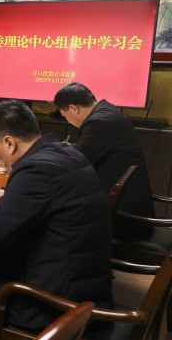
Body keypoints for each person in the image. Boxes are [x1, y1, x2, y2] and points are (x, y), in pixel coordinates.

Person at [0, 100, 113, 331]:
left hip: (55, 305)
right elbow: (50, 199)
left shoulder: (35, 170)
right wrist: (1, 194)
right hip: (85, 288)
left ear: (9, 143)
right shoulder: (65, 152)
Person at [53, 82, 155, 238]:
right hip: (130, 208)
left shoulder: (98, 122)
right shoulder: (107, 111)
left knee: (56, 218)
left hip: (124, 218)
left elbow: (75, 164)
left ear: (74, 108)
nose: (67, 120)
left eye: (64, 115)